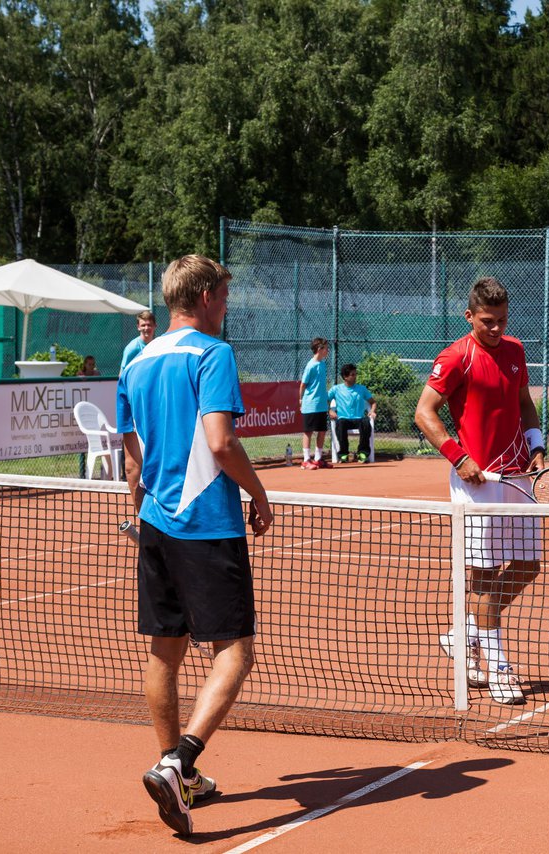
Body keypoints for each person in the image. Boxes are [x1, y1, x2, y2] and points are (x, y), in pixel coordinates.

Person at [117, 254, 273, 837]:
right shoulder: (213, 354)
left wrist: (139, 510)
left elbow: (131, 455)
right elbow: (221, 440)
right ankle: (179, 762)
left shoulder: (136, 360)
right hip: (207, 523)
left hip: (154, 521)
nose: (226, 308)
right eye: (225, 297)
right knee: (234, 651)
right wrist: (258, 492)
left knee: (164, 652)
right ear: (205, 295)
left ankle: (179, 778)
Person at [415, 276, 545, 706]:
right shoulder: (455, 357)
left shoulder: (516, 350)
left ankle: (463, 633)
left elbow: (524, 402)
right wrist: (458, 456)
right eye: (488, 321)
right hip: (479, 482)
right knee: (486, 579)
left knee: (528, 565)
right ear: (469, 315)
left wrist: (537, 445)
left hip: (519, 476)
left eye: (502, 321)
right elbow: (424, 412)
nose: (496, 329)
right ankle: (499, 670)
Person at [328, 363, 375, 462]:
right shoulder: (336, 389)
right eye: (352, 375)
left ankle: (362, 453)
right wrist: (330, 411)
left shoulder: (361, 389)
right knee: (340, 424)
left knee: (366, 422)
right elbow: (325, 401)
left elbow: (373, 402)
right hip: (343, 419)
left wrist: (372, 411)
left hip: (358, 419)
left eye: (355, 374)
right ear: (345, 377)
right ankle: (343, 454)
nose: (355, 376)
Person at [298, 337, 331, 470]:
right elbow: (303, 385)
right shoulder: (310, 366)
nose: (328, 350)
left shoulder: (323, 364)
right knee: (308, 432)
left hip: (321, 404)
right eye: (326, 348)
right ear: (319, 349)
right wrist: (300, 400)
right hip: (310, 404)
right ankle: (306, 460)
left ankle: (318, 459)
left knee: (322, 431)